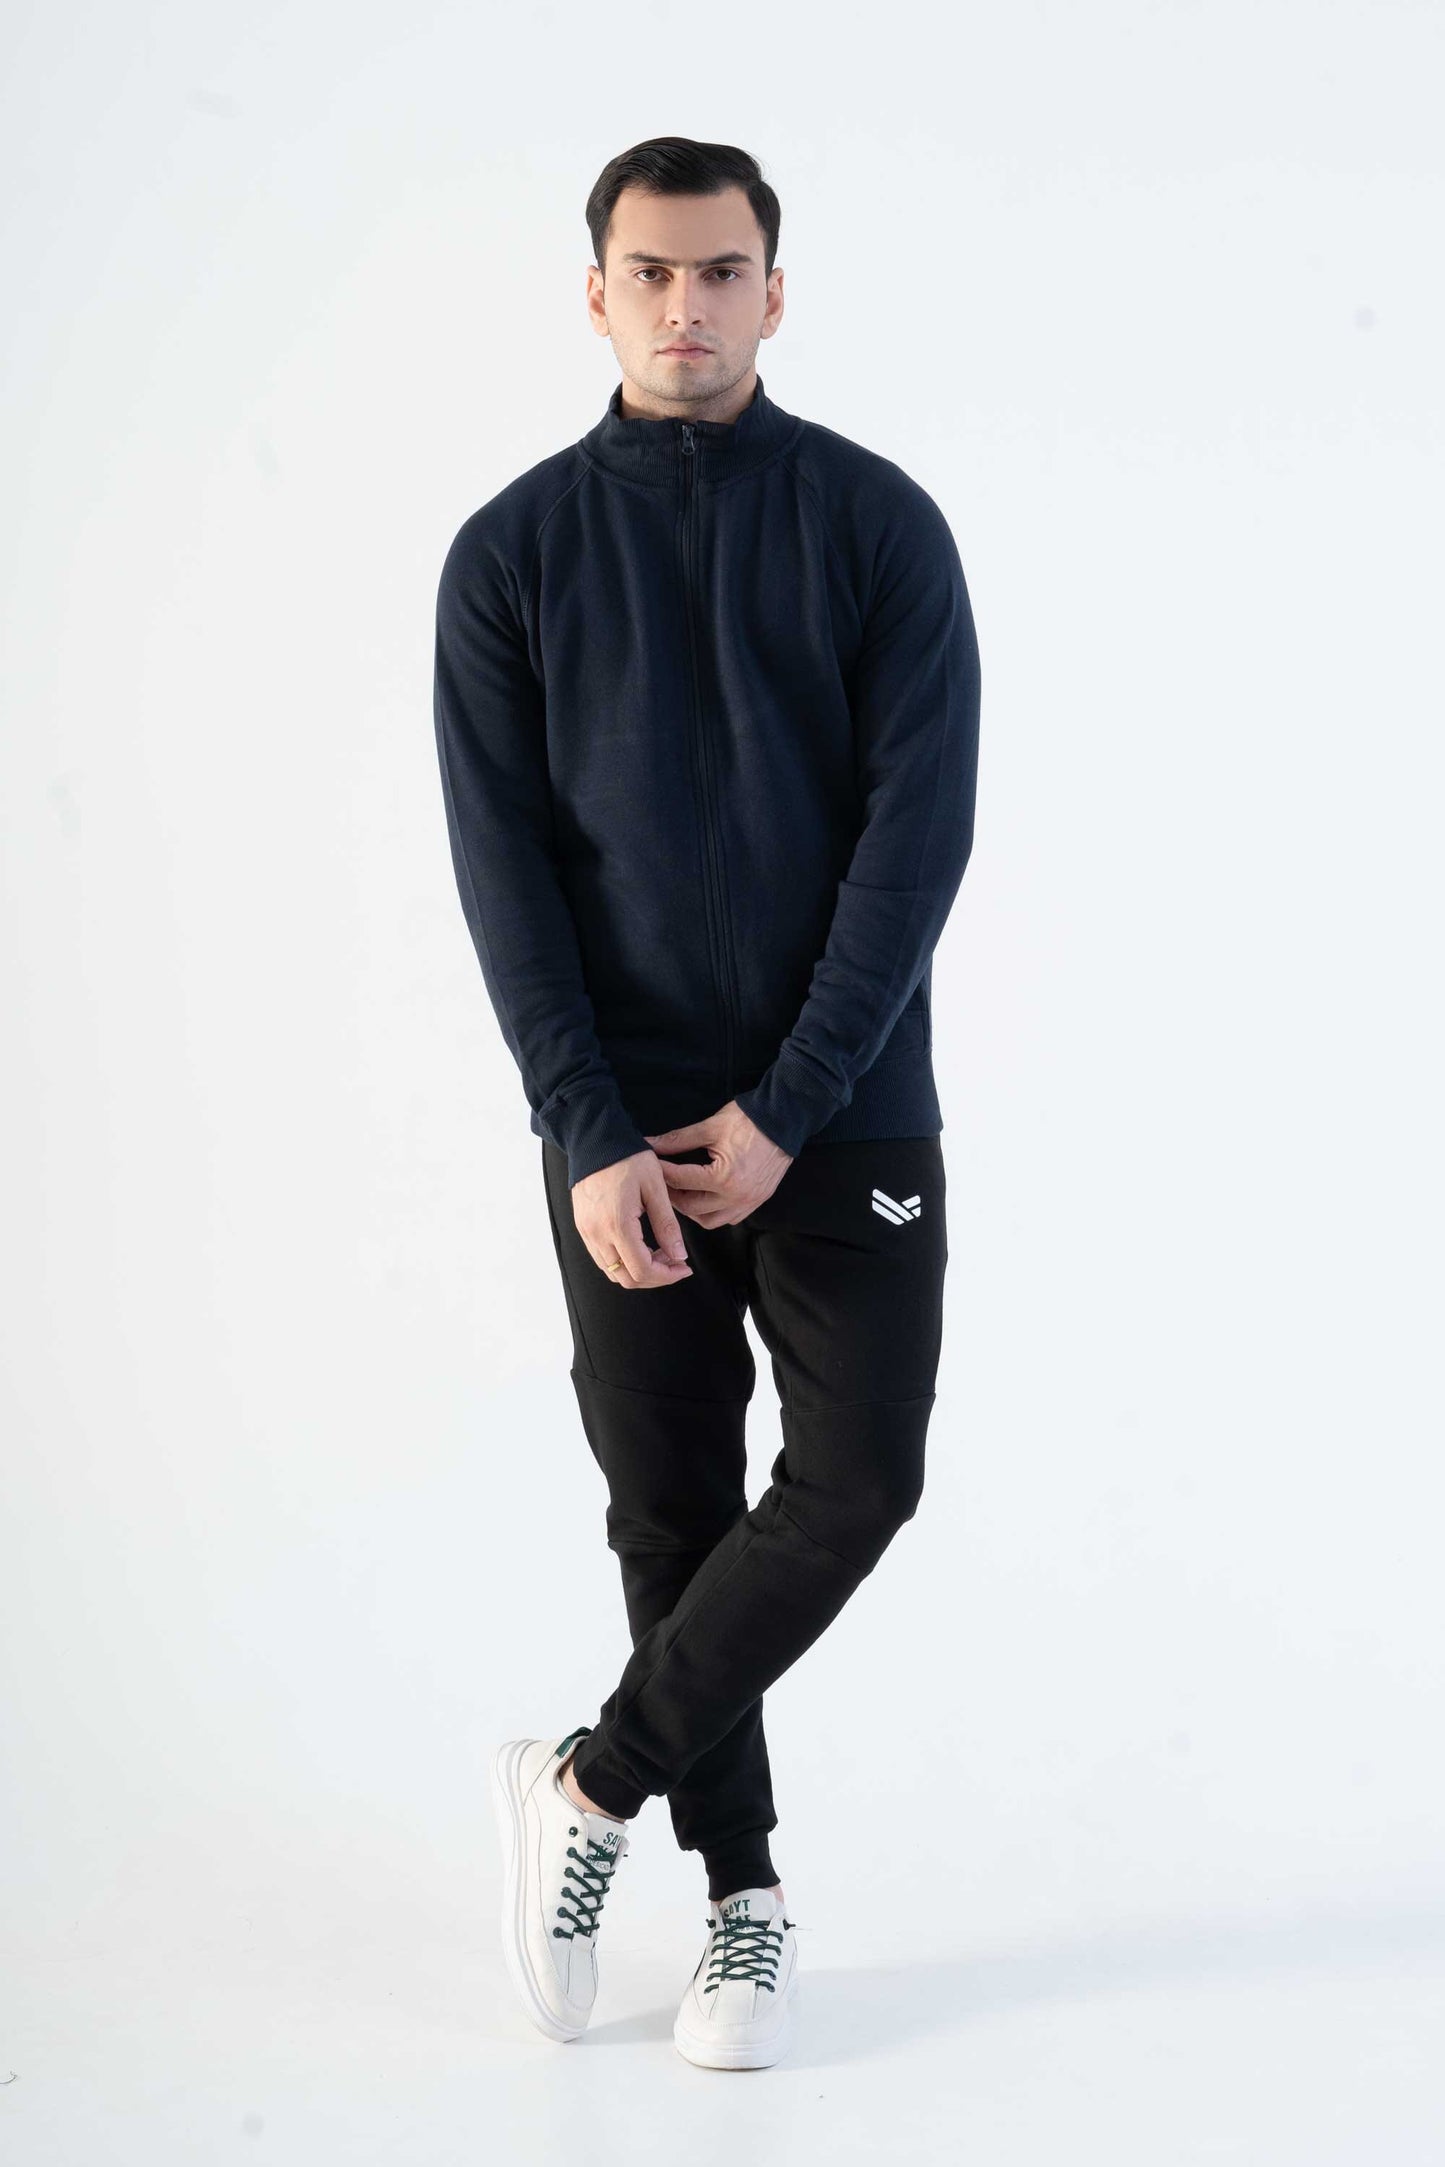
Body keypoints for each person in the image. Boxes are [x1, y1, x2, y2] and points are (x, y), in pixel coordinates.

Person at [433, 134, 981, 2070]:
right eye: (652, 274)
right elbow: (505, 875)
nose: (688, 305)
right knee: (668, 1510)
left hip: (846, 1113)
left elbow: (916, 846)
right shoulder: (510, 556)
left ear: (775, 290)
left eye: (722, 270)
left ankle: (587, 1783)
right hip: (622, 1129)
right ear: (595, 294)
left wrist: (793, 1102)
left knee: (857, 1477)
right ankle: (742, 1899)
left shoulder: (878, 527)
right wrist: (586, 1127)